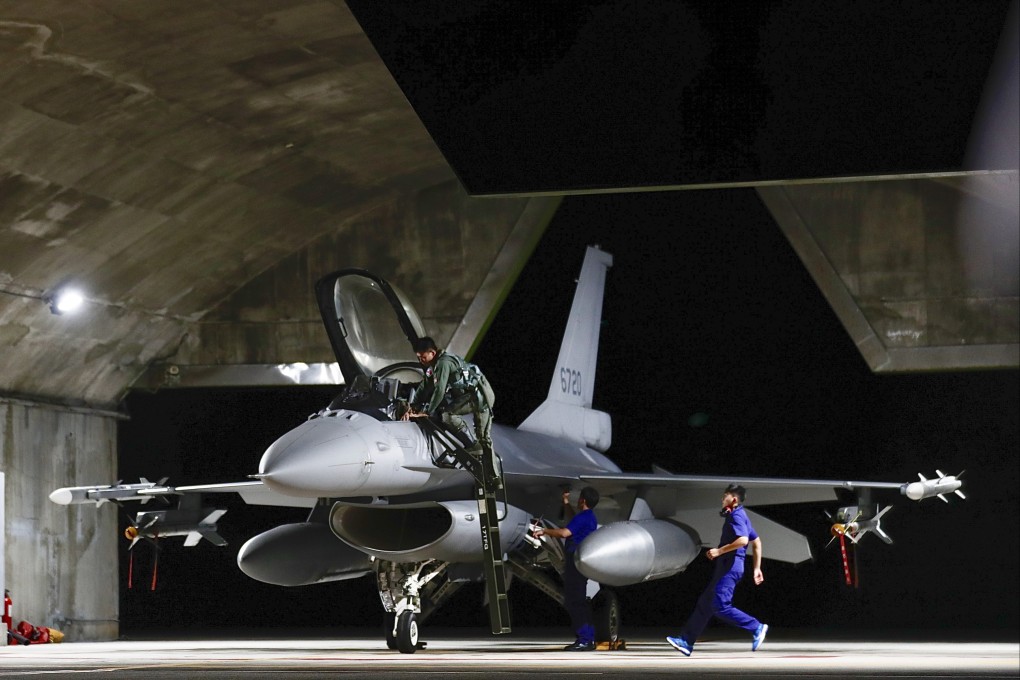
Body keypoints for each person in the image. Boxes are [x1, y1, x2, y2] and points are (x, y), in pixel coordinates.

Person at [666, 483, 768, 656]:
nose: (722, 499)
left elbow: (743, 540)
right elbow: (756, 542)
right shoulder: (741, 515)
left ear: (733, 499)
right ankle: (686, 642)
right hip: (727, 568)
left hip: (730, 568)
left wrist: (719, 551)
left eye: (725, 495)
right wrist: (757, 568)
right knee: (705, 604)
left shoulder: (737, 516)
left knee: (720, 606)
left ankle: (756, 627)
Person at [402, 336, 496, 455]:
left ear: (432, 352)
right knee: (443, 409)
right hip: (468, 395)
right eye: (419, 358)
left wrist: (428, 411)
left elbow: (440, 390)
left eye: (423, 357)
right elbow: (424, 386)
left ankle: (473, 446)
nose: (421, 361)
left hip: (477, 396)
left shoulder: (443, 364)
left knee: (447, 415)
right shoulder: (434, 366)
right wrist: (413, 405)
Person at [534, 486, 600, 651]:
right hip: (578, 564)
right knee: (580, 601)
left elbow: (564, 533)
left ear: (583, 500)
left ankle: (584, 639)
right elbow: (573, 520)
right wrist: (565, 502)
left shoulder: (583, 518)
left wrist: (544, 531)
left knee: (574, 602)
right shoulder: (588, 517)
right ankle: (588, 638)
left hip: (575, 564)